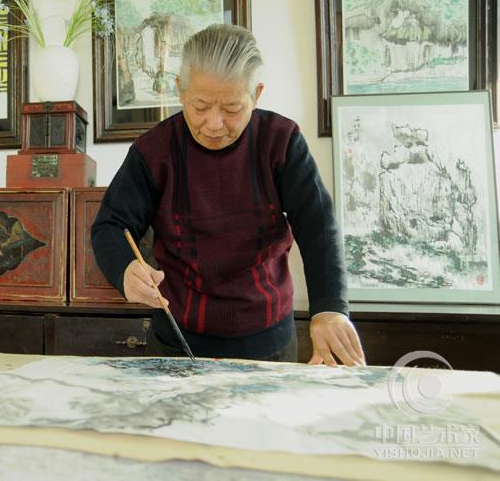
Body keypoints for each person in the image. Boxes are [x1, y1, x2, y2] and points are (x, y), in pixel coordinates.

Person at [91, 24, 365, 366]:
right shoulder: (154, 151)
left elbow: (318, 226)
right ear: (180, 90)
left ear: (257, 94)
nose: (214, 124)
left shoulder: (280, 142)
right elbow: (110, 225)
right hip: (178, 338)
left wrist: (329, 309)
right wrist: (125, 269)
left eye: (232, 109)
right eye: (200, 106)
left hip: (268, 338)